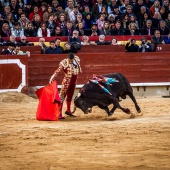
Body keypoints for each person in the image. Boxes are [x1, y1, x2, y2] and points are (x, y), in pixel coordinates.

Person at [49, 53, 82, 119]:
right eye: (70, 60)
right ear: (67, 58)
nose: (71, 61)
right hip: (66, 82)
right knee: (62, 97)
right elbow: (58, 71)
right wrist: (52, 78)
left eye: (72, 60)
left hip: (73, 82)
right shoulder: (64, 63)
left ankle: (68, 111)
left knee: (70, 96)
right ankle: (59, 113)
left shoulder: (76, 60)